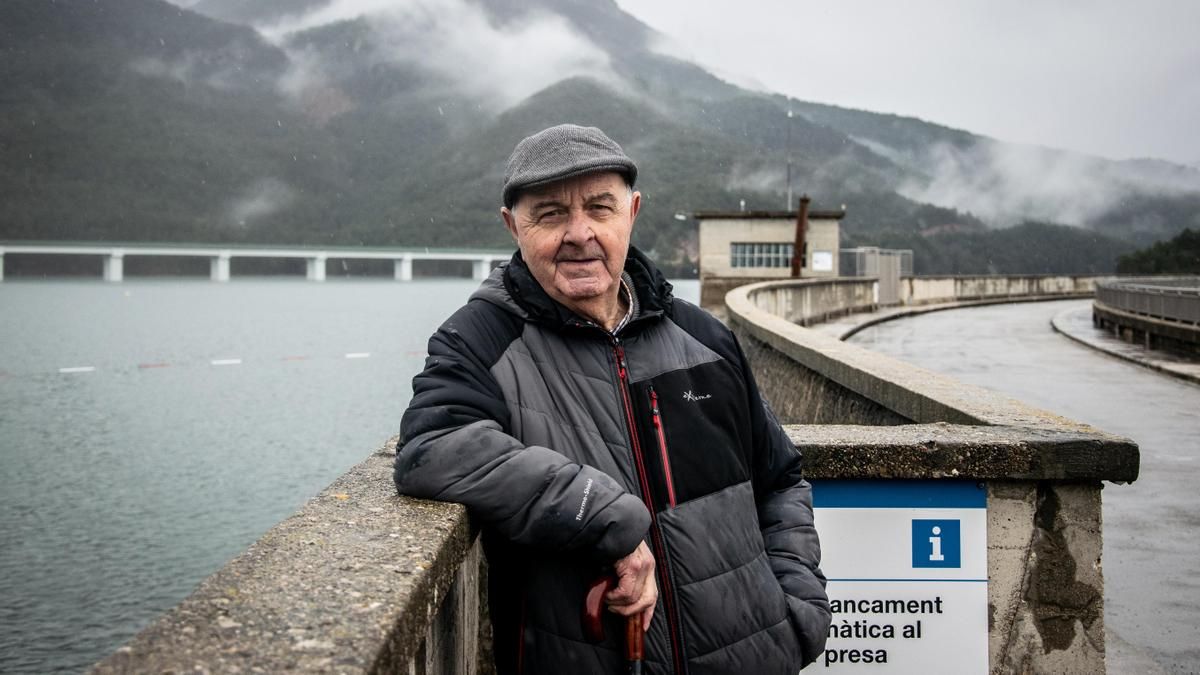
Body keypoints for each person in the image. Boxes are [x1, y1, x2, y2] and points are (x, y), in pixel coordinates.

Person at [395, 124, 829, 674]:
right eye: (550, 214)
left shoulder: (705, 339)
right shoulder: (478, 342)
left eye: (600, 208)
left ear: (633, 211)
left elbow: (780, 479)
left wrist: (798, 608)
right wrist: (602, 513)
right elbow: (434, 447)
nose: (580, 233)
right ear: (512, 225)